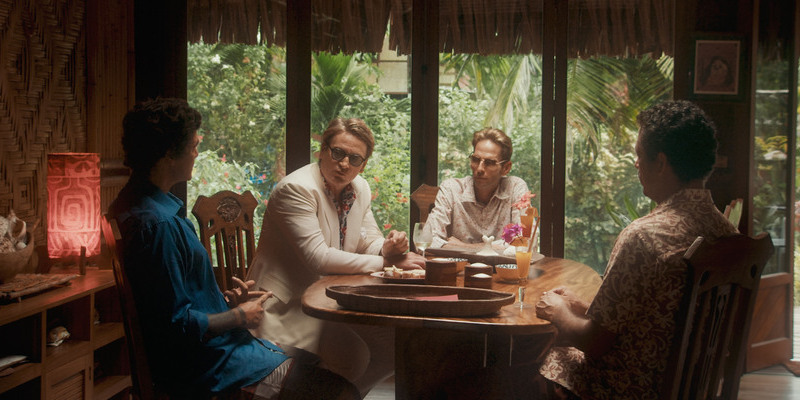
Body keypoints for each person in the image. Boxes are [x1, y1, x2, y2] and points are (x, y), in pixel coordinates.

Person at [108, 98, 359, 399]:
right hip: (210, 368)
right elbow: (173, 326)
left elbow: (169, 302)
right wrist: (238, 316)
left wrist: (224, 303)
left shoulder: (138, 207)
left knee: (320, 364)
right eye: (193, 146)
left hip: (217, 352)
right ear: (168, 153)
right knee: (342, 392)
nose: (196, 153)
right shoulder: (157, 225)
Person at [534, 100, 738, 399]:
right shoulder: (728, 232)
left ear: (661, 163)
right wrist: (583, 306)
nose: (636, 163)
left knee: (540, 360)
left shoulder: (645, 236)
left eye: (639, 155)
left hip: (634, 389)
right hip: (692, 387)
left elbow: (594, 342)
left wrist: (559, 311)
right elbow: (662, 316)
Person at [247, 117, 426, 397]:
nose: (344, 164)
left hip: (327, 299)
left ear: (363, 165)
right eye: (338, 153)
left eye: (354, 159)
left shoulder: (360, 188)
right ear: (322, 151)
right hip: (286, 306)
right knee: (354, 357)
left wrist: (387, 248)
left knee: (393, 345)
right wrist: (387, 262)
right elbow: (318, 258)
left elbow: (367, 239)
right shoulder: (297, 188)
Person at [424, 128, 530, 248]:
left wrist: (464, 247)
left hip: (494, 263)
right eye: (475, 159)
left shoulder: (515, 187)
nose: (479, 169)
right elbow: (426, 240)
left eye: (489, 162)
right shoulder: (451, 189)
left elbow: (525, 242)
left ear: (506, 168)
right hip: (458, 262)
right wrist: (495, 247)